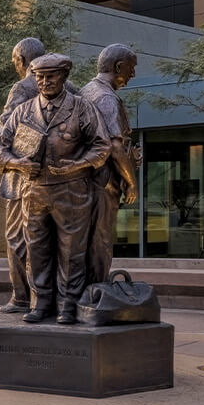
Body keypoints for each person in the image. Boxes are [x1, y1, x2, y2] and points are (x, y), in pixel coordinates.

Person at [0, 53, 110, 323]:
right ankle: (40, 303)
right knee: (36, 250)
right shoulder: (23, 110)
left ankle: (67, 306)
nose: (44, 82)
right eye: (39, 77)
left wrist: (77, 166)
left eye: (51, 76)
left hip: (72, 192)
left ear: (64, 77)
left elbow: (101, 146)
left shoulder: (81, 108)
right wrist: (17, 164)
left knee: (72, 252)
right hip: (33, 192)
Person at [0, 37, 46, 313]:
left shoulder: (22, 87)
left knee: (16, 239)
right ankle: (45, 298)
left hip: (21, 176)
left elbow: (4, 131)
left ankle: (22, 297)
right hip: (54, 180)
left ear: (22, 61)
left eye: (14, 61)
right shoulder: (70, 89)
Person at [80, 44, 140, 287]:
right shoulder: (105, 97)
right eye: (131, 68)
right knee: (101, 239)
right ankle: (97, 292)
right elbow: (114, 147)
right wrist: (132, 182)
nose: (133, 74)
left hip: (88, 182)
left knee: (90, 239)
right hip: (103, 183)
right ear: (118, 67)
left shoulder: (86, 91)